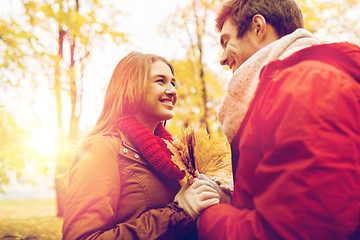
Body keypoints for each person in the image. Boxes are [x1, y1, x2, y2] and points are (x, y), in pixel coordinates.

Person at [197, 0, 360, 239]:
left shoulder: (308, 86)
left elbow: (291, 232)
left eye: (226, 41)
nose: (222, 59)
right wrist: (229, 200)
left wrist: (208, 215)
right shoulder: (291, 88)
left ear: (258, 27)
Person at [62, 52, 221, 240]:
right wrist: (180, 212)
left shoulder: (174, 154)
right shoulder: (102, 149)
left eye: (172, 83)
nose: (172, 91)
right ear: (131, 87)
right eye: (160, 81)